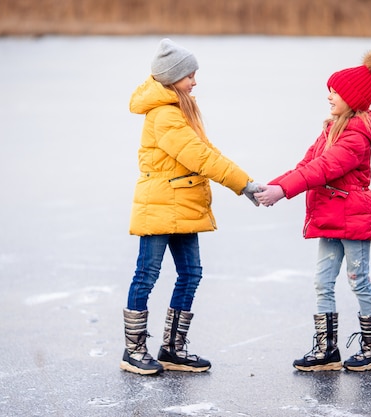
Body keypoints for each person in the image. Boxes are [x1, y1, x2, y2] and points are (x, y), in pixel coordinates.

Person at [121, 38, 260, 376]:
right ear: (172, 77)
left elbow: (206, 150)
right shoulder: (165, 115)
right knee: (147, 275)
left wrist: (243, 182)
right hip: (160, 204)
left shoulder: (180, 109)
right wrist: (242, 184)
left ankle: (172, 348)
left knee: (191, 274)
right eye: (190, 75)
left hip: (180, 202)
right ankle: (133, 350)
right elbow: (199, 157)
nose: (195, 81)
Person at [254, 49, 371, 372]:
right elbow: (306, 164)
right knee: (322, 282)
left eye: (336, 91)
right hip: (330, 216)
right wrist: (272, 187)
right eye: (330, 90)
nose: (330, 96)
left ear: (354, 98)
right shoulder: (331, 129)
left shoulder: (356, 138)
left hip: (354, 217)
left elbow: (323, 169)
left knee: (358, 280)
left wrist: (283, 191)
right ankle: (325, 350)